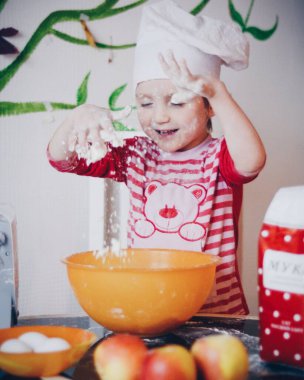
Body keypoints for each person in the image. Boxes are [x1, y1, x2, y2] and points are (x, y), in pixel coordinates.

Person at [47, 0, 266, 314]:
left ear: (209, 106)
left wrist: (218, 92)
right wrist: (76, 118)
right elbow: (61, 159)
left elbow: (252, 161)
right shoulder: (136, 154)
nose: (159, 117)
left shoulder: (221, 156)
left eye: (177, 101)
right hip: (149, 308)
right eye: (146, 103)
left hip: (216, 314)